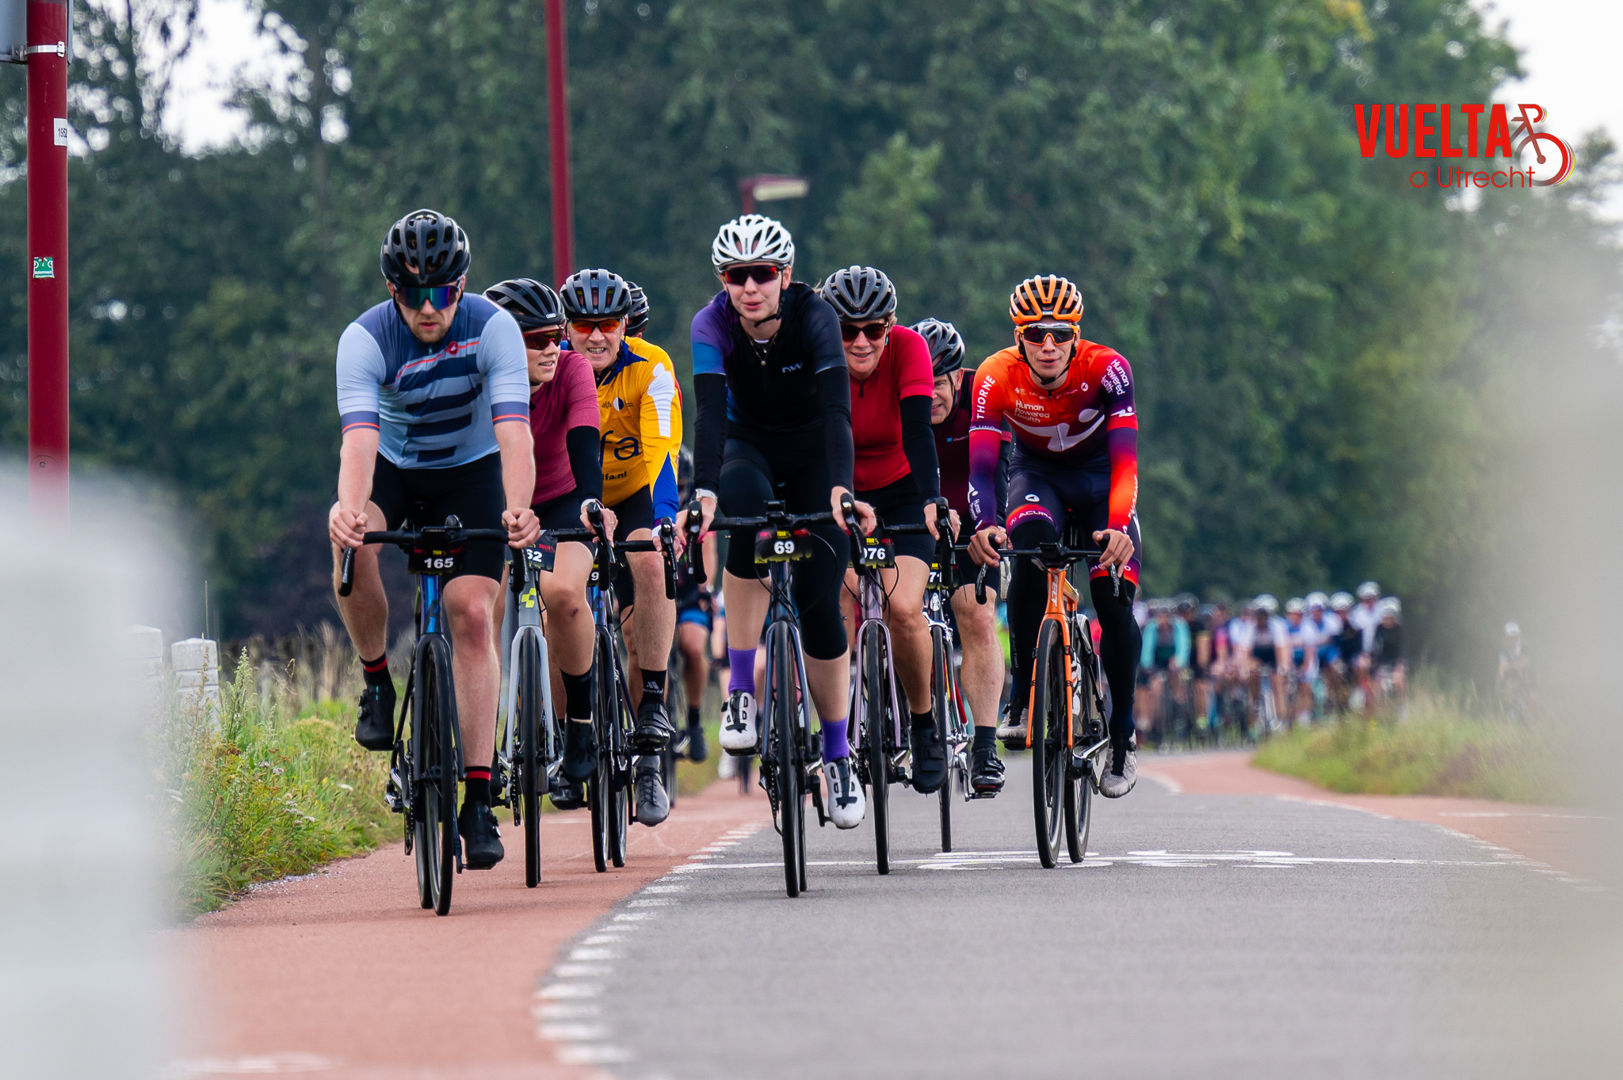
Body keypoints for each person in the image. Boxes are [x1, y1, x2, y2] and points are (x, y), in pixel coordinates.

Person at [330, 208, 539, 870]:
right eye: (414, 294)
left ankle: (477, 799)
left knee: (472, 615)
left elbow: (513, 430)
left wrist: (517, 508)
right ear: (392, 290)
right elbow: (359, 440)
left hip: (472, 474)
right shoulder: (364, 340)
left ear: (464, 284)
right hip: (395, 468)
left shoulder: (493, 327)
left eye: (443, 292)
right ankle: (375, 681)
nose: (429, 308)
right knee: (348, 539)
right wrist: (350, 508)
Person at [684, 214, 876, 829]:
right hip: (748, 446)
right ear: (724, 281)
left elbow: (837, 409)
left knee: (821, 603)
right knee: (739, 516)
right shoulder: (711, 324)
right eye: (736, 276)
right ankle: (741, 693)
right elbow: (711, 415)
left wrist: (843, 488)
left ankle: (839, 756)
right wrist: (705, 492)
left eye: (761, 275)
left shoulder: (815, 316)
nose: (749, 287)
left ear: (785, 276)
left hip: (814, 450)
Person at [966, 274, 1143, 798]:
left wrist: (1117, 525)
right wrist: (985, 524)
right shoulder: (995, 375)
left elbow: (1126, 463)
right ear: (1018, 337)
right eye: (1036, 333)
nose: (1048, 345)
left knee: (1112, 602)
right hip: (1036, 479)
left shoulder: (1107, 369)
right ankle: (1021, 698)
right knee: (1027, 553)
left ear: (1076, 335)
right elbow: (982, 469)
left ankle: (1122, 733)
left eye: (1060, 334)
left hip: (1098, 484)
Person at [559, 267, 682, 827]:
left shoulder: (652, 365)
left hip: (635, 495)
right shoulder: (551, 365)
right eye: (583, 325)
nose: (595, 336)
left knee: (650, 558)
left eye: (606, 323)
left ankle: (651, 721)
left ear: (624, 324)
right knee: (559, 602)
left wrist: (660, 523)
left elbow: (661, 452)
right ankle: (566, 738)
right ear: (568, 326)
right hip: (567, 496)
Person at [483, 277, 609, 811]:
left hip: (561, 499)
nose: (551, 349)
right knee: (480, 605)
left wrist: (591, 502)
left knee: (563, 594)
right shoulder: (481, 376)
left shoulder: (573, 368)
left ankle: (579, 724)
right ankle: (480, 750)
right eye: (534, 340)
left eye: (555, 336)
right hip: (493, 501)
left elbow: (584, 437)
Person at [821, 266, 947, 794]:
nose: (861, 341)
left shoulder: (910, 349)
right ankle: (831, 731)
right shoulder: (818, 354)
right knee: (834, 603)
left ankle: (922, 724)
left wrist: (933, 499)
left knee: (902, 608)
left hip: (901, 489)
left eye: (873, 329)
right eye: (847, 331)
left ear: (891, 325)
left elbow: (919, 430)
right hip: (838, 488)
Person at [918, 315, 1009, 794]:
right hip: (915, 516)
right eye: (921, 382)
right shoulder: (900, 396)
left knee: (976, 612)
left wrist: (987, 527)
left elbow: (992, 471)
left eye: (939, 382)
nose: (929, 393)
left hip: (974, 517)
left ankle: (984, 746)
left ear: (957, 376)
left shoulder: (983, 396)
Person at [671, 446, 715, 762]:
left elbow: (708, 554)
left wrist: (705, 590)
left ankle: (695, 721)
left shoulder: (695, 514)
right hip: (657, 592)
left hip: (687, 594)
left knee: (693, 646)